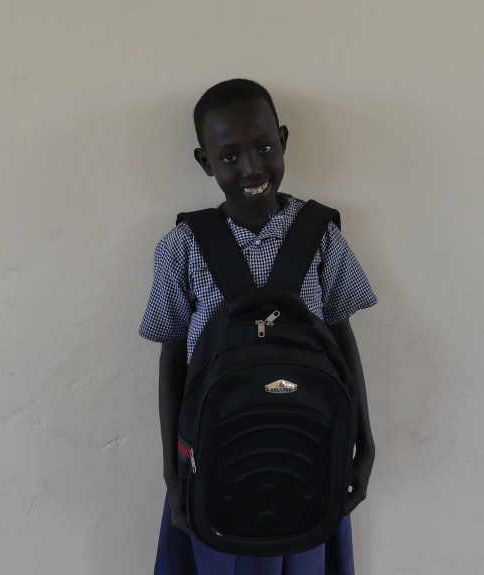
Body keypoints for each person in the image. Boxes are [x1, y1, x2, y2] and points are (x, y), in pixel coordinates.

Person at [140, 78, 377, 575]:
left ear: (283, 141)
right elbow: (172, 359)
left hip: (310, 455)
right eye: (230, 157)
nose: (252, 168)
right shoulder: (183, 246)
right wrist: (171, 473)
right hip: (213, 461)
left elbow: (342, 339)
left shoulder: (321, 235)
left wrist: (365, 441)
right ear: (205, 162)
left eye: (265, 148)